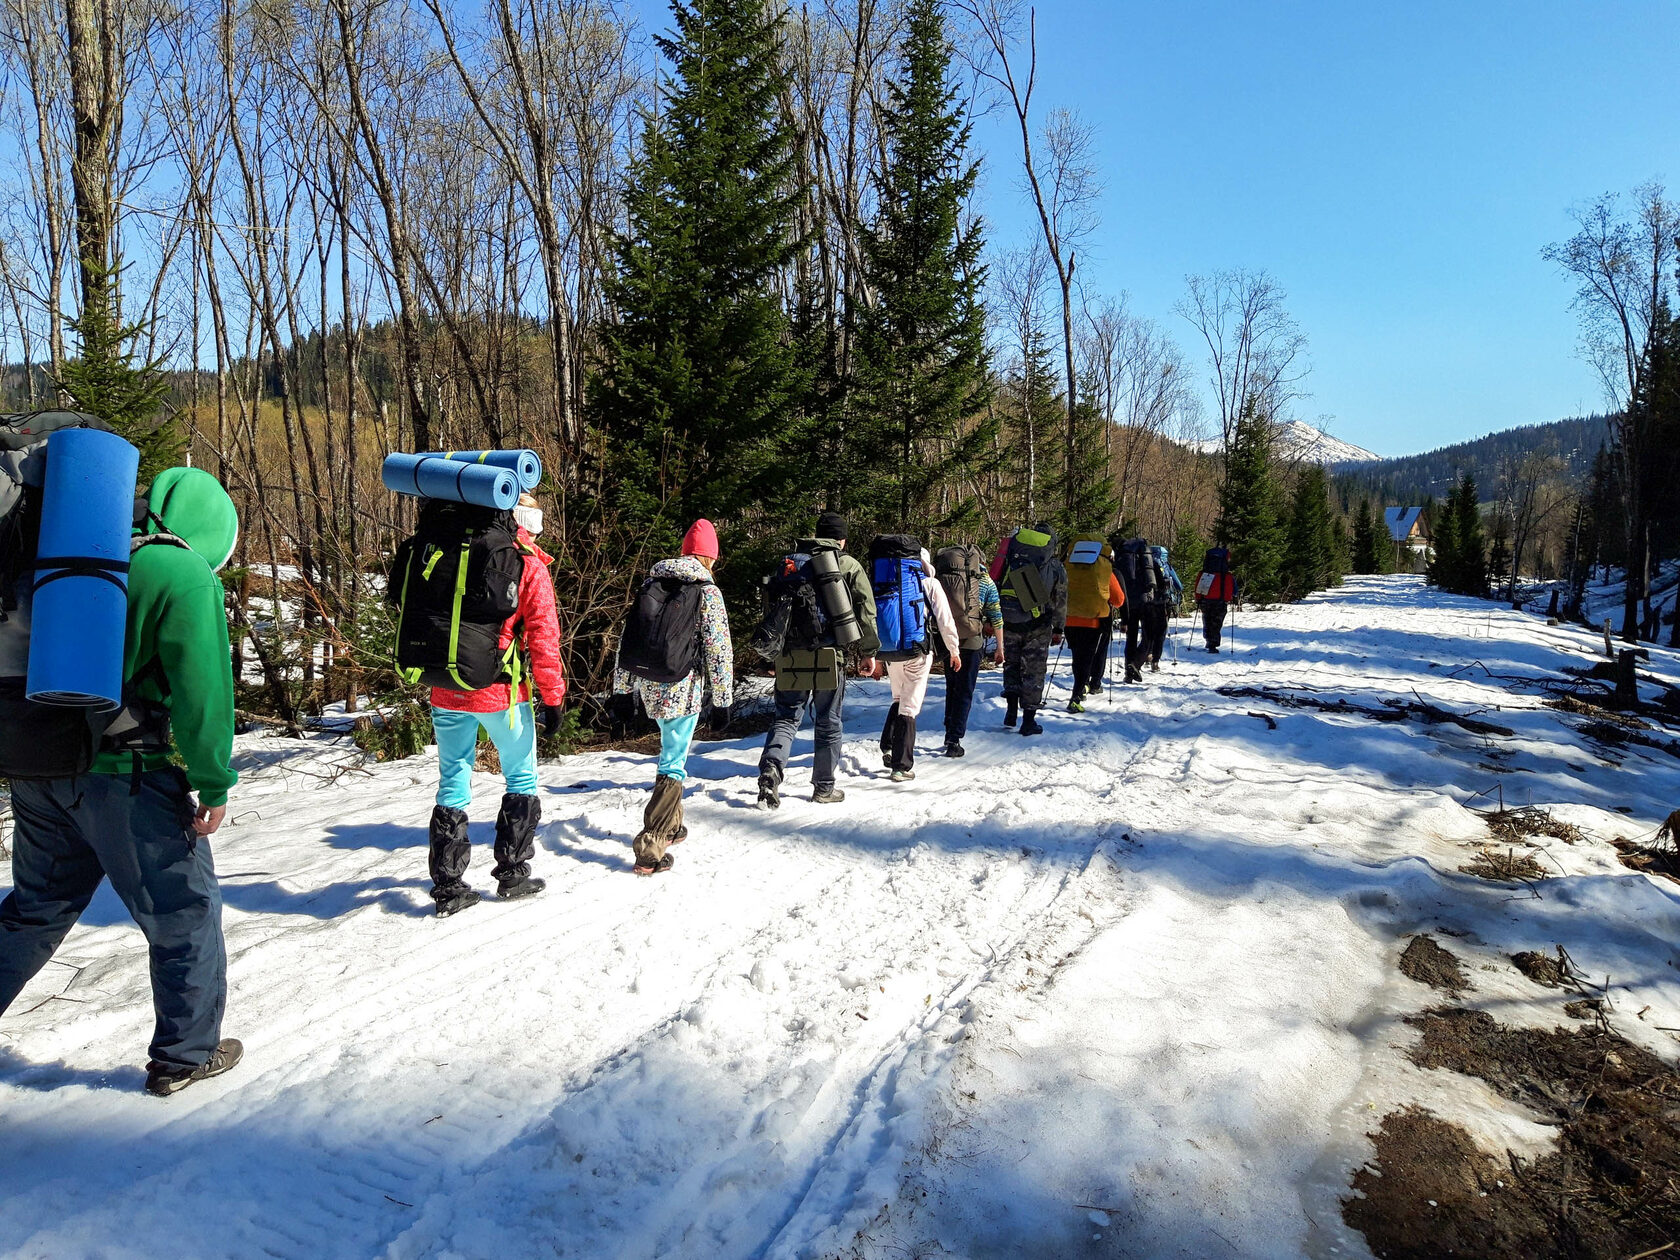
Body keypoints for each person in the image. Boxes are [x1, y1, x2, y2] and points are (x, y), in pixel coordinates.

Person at [0, 467, 244, 1097]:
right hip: (124, 778)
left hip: (35, 764)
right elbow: (203, 694)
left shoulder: (65, 555)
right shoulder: (180, 573)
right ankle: (185, 1056)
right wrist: (214, 781)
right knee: (182, 912)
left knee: (35, 909)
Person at [427, 492, 564, 915]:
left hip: (445, 686)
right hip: (499, 692)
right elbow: (543, 639)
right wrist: (553, 696)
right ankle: (512, 874)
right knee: (521, 776)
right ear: (531, 524)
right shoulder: (528, 564)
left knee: (453, 779)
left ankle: (449, 888)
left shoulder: (449, 548)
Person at [612, 519, 734, 875]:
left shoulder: (653, 582)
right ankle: (651, 845)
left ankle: (672, 826)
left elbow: (628, 639)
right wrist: (723, 699)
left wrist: (622, 691)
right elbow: (719, 649)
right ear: (711, 556)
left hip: (650, 683)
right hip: (683, 686)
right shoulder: (707, 591)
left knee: (671, 748)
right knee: (673, 761)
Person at [757, 512, 879, 808]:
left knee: (786, 717)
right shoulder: (847, 564)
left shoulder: (789, 563)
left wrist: (770, 654)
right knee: (828, 721)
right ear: (842, 539)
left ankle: (771, 771)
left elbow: (771, 611)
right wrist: (869, 652)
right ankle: (824, 788)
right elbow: (866, 609)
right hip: (829, 656)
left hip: (789, 653)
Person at [875, 545, 963, 781]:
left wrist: (875, 656)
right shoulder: (930, 584)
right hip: (917, 652)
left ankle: (888, 746)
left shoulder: (886, 583)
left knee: (898, 698)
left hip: (891, 652)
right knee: (909, 707)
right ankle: (901, 766)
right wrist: (954, 650)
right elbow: (945, 620)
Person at [989, 523, 1067, 737]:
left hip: (1009, 620)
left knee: (1011, 665)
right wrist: (1059, 627)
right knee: (1033, 670)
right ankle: (1029, 721)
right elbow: (1059, 598)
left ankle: (1011, 712)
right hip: (1038, 624)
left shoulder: (1011, 559)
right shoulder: (1054, 565)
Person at [932, 544, 1003, 757]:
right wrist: (1000, 647)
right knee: (965, 691)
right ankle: (954, 738)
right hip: (972, 642)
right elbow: (996, 617)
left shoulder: (946, 578)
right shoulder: (986, 582)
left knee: (951, 687)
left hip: (948, 640)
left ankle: (948, 730)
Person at [1062, 534, 1125, 712]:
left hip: (1070, 618)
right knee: (1087, 657)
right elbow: (1119, 599)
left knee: (1077, 657)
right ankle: (1076, 696)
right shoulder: (1105, 569)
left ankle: (1079, 687)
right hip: (1094, 620)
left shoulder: (1067, 566)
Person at [1112, 535, 1158, 684]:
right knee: (1149, 635)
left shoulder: (1121, 556)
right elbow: (1156, 577)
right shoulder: (1145, 555)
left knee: (1130, 637)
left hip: (1128, 602)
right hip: (1146, 600)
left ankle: (1128, 672)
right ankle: (1136, 663)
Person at [1143, 544, 1182, 671]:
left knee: (1148, 630)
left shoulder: (1145, 565)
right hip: (1164, 603)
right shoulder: (1166, 566)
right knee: (1160, 631)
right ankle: (1155, 661)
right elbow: (1178, 585)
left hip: (1147, 602)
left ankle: (1147, 654)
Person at [1194, 545, 1239, 653]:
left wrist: (1198, 599)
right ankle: (1212, 644)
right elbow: (1235, 591)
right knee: (1216, 623)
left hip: (1205, 600)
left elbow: (1197, 588)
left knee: (1207, 620)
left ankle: (1209, 640)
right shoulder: (1228, 576)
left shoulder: (1204, 573)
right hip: (1220, 601)